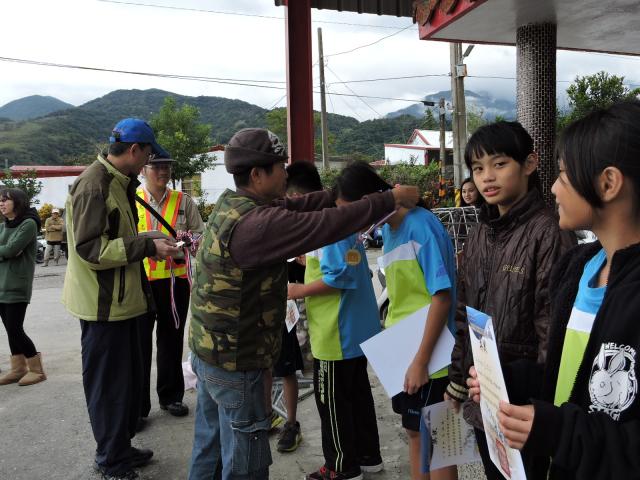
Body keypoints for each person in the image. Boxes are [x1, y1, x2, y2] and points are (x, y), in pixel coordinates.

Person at [187, 128, 419, 480]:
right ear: (257, 174)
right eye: (280, 166)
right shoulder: (258, 224)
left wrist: (335, 195)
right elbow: (326, 224)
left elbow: (295, 206)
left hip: (209, 353)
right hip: (237, 361)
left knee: (210, 446)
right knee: (245, 461)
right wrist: (388, 199)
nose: (286, 173)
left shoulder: (233, 205)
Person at [467, 101, 640, 480]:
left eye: (563, 174)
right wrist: (508, 379)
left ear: (608, 183)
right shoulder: (578, 267)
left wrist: (559, 431)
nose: (554, 188)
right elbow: (564, 374)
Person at [444, 121, 573, 480]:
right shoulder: (480, 234)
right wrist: (458, 379)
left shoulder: (549, 232)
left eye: (499, 164)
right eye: (478, 168)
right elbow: (464, 314)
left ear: (529, 163)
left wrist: (543, 409)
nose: (487, 177)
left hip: (525, 406)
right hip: (483, 394)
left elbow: (553, 333)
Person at [63, 118, 181, 480]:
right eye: (148, 154)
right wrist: (147, 246)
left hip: (124, 302)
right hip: (104, 308)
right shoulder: (94, 185)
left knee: (126, 383)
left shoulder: (117, 181)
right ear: (134, 150)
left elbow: (117, 236)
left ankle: (119, 448)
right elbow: (91, 249)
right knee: (109, 388)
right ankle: (110, 461)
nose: (149, 161)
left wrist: (148, 237)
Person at [334, 161, 458, 480]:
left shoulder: (421, 225)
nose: (352, 221)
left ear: (370, 200)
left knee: (441, 441)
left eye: (353, 212)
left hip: (432, 356)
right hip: (407, 352)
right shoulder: (388, 230)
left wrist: (421, 361)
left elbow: (441, 297)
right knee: (416, 434)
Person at [287, 169, 385, 480]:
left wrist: (299, 290)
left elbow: (339, 278)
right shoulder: (342, 224)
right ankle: (368, 456)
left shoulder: (326, 227)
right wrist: (310, 261)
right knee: (357, 396)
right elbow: (351, 264)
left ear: (297, 197)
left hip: (335, 333)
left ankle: (341, 467)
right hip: (357, 330)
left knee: (332, 403)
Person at [136, 155, 205, 421]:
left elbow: (199, 235)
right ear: (143, 170)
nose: (163, 171)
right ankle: (139, 407)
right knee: (139, 344)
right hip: (141, 282)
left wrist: (188, 242)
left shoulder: (183, 201)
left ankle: (171, 396)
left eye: (166, 166)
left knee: (172, 340)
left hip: (175, 282)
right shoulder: (131, 200)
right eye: (157, 166)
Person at [263, 161, 324, 453]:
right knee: (269, 363)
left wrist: (307, 259)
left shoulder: (322, 221)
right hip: (275, 300)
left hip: (297, 299)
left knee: (291, 366)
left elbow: (333, 270)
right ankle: (269, 415)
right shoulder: (276, 215)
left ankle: (291, 423)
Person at [0, 188, 46, 386]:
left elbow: (12, 249)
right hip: (1, 283)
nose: (1, 204)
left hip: (17, 283)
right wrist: (7, 252)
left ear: (17, 202)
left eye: (5, 200)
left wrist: (8, 251)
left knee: (15, 328)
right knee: (10, 329)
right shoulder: (4, 225)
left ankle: (36, 369)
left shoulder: (28, 224)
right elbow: (8, 251)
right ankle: (18, 368)